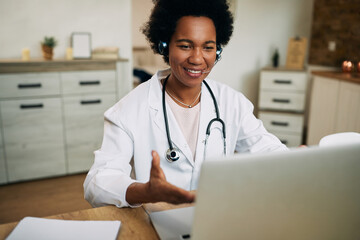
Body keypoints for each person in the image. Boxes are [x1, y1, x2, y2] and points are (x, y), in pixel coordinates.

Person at [84, 0, 287, 208]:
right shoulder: (128, 110)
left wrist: (297, 161)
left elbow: (268, 150)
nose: (197, 59)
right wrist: (145, 192)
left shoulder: (232, 103)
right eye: (185, 46)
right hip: (156, 221)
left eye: (208, 47)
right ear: (165, 45)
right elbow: (97, 183)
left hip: (215, 218)